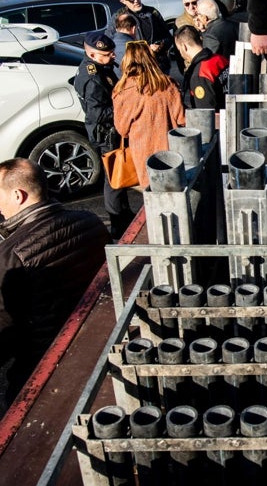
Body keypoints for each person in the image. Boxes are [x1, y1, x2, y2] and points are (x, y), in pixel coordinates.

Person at [0, 158, 110, 408]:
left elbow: (5, 329)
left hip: (44, 365)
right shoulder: (90, 221)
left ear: (18, 195)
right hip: (96, 340)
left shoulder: (10, 256)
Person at [74, 30, 134, 239]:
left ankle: (124, 214)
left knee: (119, 177)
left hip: (110, 131)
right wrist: (123, 107)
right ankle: (118, 222)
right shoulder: (93, 78)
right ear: (93, 55)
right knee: (114, 179)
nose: (113, 56)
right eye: (107, 54)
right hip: (106, 134)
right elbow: (97, 113)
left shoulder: (100, 68)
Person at [112, 41, 185, 189]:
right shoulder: (168, 84)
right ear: (151, 59)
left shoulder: (122, 91)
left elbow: (122, 130)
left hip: (143, 155)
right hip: (172, 152)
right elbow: (181, 119)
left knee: (151, 194)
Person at [110, 0, 172, 72]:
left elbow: (168, 37)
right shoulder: (118, 17)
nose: (136, 1)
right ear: (123, 1)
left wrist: (160, 45)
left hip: (158, 66)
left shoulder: (152, 13)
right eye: (131, 0)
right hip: (135, 69)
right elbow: (110, 42)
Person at [174, 25, 229, 110]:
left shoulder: (199, 74)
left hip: (217, 121)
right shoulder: (220, 59)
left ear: (184, 47)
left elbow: (205, 113)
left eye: (179, 50)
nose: (181, 54)